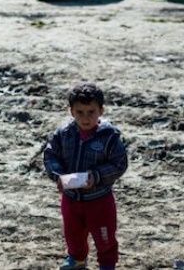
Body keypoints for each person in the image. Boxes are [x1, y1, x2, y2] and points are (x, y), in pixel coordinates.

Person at [44, 83, 128, 270]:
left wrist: (96, 176)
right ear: (71, 111)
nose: (85, 118)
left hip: (99, 200)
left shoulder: (109, 136)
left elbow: (119, 163)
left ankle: (107, 265)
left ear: (101, 111)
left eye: (91, 112)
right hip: (71, 198)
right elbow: (50, 155)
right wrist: (58, 175)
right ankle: (77, 259)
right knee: (73, 234)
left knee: (104, 237)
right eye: (80, 112)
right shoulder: (64, 133)